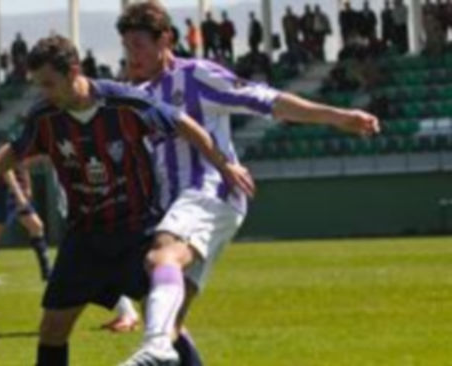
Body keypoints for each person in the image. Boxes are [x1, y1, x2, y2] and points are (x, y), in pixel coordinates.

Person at [0, 34, 254, 366]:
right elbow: (14, 150)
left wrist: (224, 166)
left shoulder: (126, 103)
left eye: (49, 84)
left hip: (136, 231)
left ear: (74, 71)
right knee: (52, 328)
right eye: (39, 85)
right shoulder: (45, 117)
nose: (44, 93)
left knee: (166, 325)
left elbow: (183, 122)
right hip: (85, 237)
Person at [114, 3, 381, 364]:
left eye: (139, 45)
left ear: (165, 40)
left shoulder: (195, 76)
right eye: (127, 47)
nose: (132, 55)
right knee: (165, 309)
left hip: (210, 191)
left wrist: (337, 117)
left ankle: (156, 347)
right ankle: (164, 345)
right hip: (175, 205)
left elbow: (266, 100)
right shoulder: (137, 95)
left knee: (162, 255)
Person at [0, 161, 51, 286]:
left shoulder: (26, 145)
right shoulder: (9, 143)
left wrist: (27, 186)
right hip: (5, 191)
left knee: (36, 226)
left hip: (19, 190)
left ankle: (47, 273)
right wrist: (18, 194)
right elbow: (6, 169)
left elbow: (24, 165)